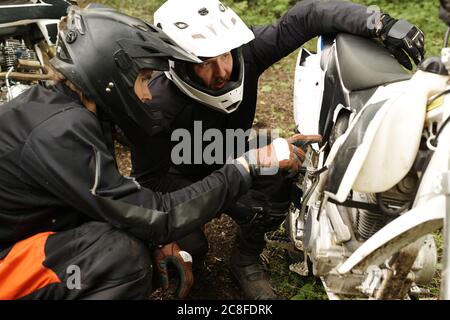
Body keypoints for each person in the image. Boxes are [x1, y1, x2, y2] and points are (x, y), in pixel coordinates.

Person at [0, 5, 314, 300]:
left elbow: (103, 201)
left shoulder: (72, 111)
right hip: (7, 259)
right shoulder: (62, 131)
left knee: (135, 240)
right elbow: (158, 213)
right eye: (144, 80)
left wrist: (155, 239)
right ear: (110, 78)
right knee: (122, 257)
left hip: (29, 231)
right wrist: (247, 166)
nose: (148, 94)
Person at [129, 0, 425, 299]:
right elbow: (149, 182)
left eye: (225, 55)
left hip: (229, 151)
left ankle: (245, 258)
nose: (221, 71)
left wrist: (380, 23)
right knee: (192, 249)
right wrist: (200, 208)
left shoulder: (246, 54)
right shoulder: (155, 106)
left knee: (281, 175)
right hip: (180, 177)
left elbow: (306, 17)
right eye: (204, 63)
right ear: (177, 63)